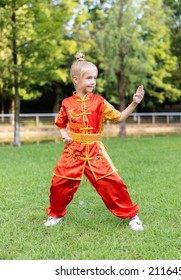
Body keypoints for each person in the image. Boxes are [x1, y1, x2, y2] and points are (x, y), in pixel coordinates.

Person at [44, 53, 144, 231]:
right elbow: (60, 124)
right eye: (89, 78)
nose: (93, 82)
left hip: (95, 151)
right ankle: (55, 214)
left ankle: (132, 215)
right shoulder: (67, 104)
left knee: (113, 183)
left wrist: (134, 103)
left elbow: (119, 117)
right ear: (76, 79)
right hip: (73, 150)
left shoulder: (99, 102)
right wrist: (64, 135)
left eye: (94, 78)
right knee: (59, 183)